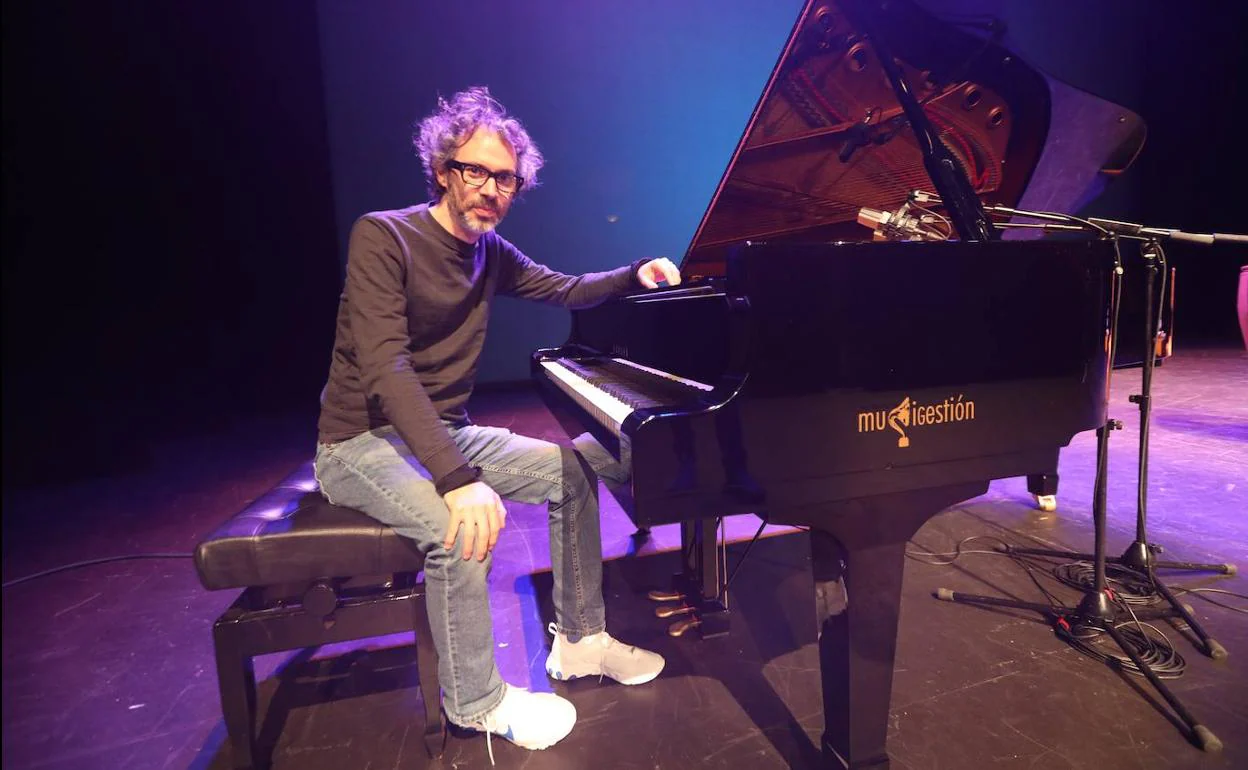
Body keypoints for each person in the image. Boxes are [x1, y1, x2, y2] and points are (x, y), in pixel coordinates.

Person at [313, 85, 681, 756]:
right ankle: (475, 701)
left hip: (442, 429)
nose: (490, 188)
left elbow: (566, 288)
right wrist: (457, 478)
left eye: (505, 178)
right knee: (463, 528)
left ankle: (579, 640)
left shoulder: (491, 253)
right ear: (443, 170)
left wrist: (634, 272)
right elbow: (387, 368)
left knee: (571, 475)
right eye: (475, 171)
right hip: (359, 443)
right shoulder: (384, 235)